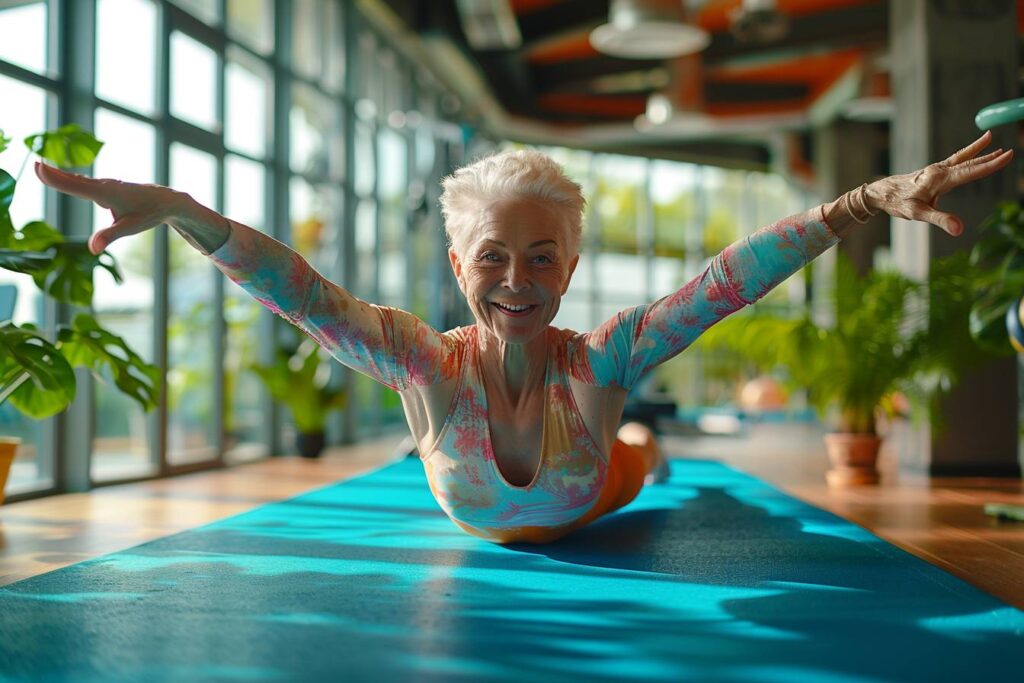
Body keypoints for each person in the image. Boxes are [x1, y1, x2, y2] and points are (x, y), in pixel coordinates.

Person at [35, 131, 1012, 544]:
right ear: (460, 266)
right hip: (555, 486)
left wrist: (855, 202)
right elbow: (304, 294)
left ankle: (651, 451)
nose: (517, 280)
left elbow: (724, 282)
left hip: (601, 487)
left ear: (570, 269)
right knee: (632, 454)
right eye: (494, 257)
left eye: (542, 258)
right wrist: (182, 209)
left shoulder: (602, 360)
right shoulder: (422, 361)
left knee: (641, 460)